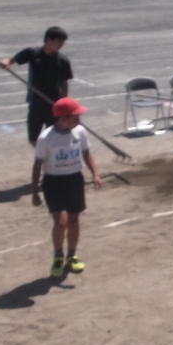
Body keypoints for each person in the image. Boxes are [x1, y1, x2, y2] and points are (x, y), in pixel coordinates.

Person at [32, 97, 101, 279]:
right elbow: (37, 165)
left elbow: (86, 153)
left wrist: (95, 173)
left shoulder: (80, 132)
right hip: (53, 182)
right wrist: (34, 192)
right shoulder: (46, 138)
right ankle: (58, 256)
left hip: (74, 180)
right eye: (75, 115)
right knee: (61, 223)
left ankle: (71, 255)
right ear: (63, 118)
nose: (79, 118)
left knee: (73, 221)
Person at [0, 26, 73, 147]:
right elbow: (10, 61)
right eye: (59, 41)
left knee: (54, 138)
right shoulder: (32, 53)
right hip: (35, 104)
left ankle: (50, 157)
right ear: (49, 40)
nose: (61, 45)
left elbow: (64, 83)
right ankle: (45, 155)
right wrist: (5, 62)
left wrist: (63, 103)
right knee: (33, 139)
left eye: (63, 42)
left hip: (53, 106)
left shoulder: (62, 61)